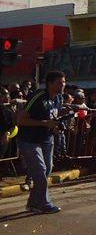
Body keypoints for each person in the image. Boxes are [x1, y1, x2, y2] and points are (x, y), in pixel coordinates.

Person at [16, 71, 66, 214]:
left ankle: (33, 203)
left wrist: (56, 126)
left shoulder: (58, 99)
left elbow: (52, 118)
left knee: (47, 171)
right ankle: (44, 203)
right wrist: (44, 123)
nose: (62, 85)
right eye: (59, 83)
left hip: (47, 139)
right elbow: (21, 120)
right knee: (40, 171)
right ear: (50, 83)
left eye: (63, 82)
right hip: (29, 140)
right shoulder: (38, 97)